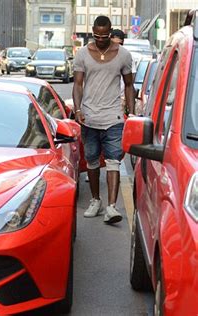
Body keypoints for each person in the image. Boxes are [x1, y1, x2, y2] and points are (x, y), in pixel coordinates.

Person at [72, 16, 134, 224]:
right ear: (92, 32)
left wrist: (131, 113)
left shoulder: (123, 55)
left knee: (113, 160)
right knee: (91, 160)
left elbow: (128, 85)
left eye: (104, 36)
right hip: (89, 117)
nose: (100, 39)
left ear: (110, 32)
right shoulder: (82, 54)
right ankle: (96, 200)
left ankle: (111, 207)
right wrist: (78, 109)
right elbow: (78, 85)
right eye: (96, 36)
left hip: (113, 117)